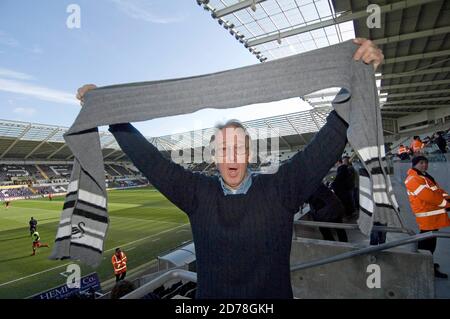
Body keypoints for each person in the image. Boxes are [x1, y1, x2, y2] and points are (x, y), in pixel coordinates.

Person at [77, 38, 384, 299]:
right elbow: (149, 159)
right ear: (215, 155)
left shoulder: (281, 187)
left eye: (238, 147)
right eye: (224, 148)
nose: (232, 155)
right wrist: (107, 109)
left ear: (249, 153)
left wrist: (359, 76)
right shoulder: (197, 193)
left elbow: (330, 138)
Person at [404, 156, 450, 278]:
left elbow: (437, 191)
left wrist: (447, 198)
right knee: (427, 244)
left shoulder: (425, 177)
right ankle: (423, 267)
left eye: (426, 162)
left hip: (432, 215)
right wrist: (446, 204)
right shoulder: (413, 179)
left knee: (430, 242)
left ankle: (426, 263)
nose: (424, 165)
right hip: (426, 216)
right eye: (421, 163)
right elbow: (428, 196)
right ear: (414, 165)